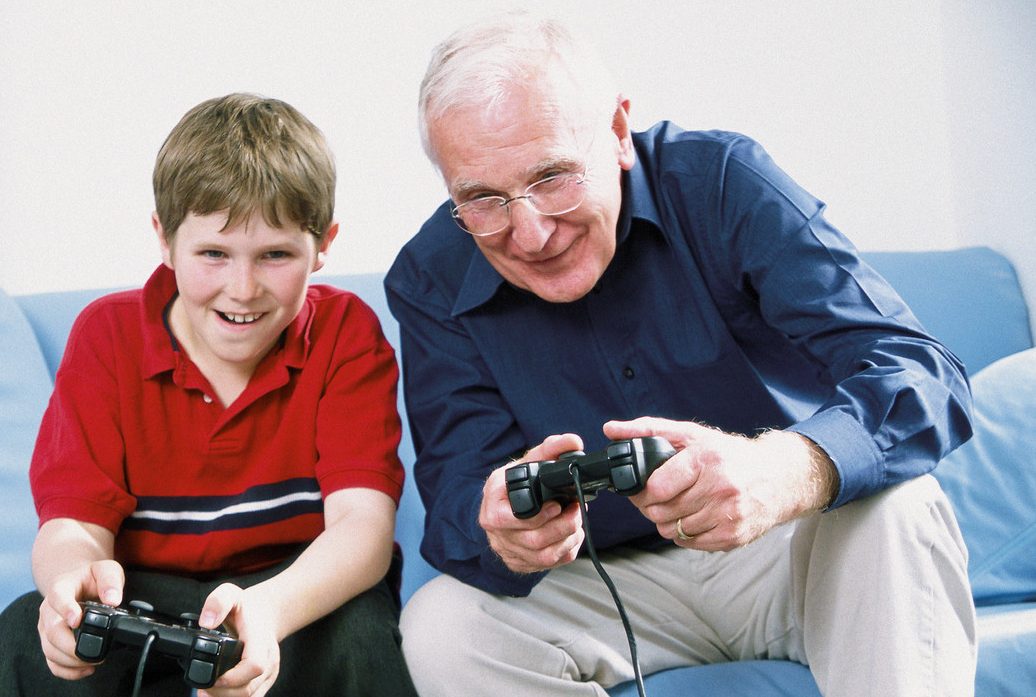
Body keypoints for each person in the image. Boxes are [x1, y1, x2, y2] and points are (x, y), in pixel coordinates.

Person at [386, 11, 977, 697]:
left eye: (552, 177)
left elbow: (922, 374)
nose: (530, 232)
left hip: (784, 547)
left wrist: (785, 469)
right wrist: (499, 527)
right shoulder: (430, 276)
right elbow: (458, 499)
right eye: (482, 199)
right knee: (441, 625)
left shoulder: (723, 182)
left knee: (900, 506)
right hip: (602, 585)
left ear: (615, 134)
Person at [0, 93, 418, 697]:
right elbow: (73, 524)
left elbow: (362, 529)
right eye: (213, 254)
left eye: (275, 255)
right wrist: (72, 586)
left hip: (291, 593)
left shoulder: (346, 333)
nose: (242, 289)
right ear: (165, 241)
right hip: (141, 593)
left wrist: (268, 612)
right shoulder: (107, 335)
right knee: (24, 630)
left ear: (323, 244)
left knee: (356, 632)